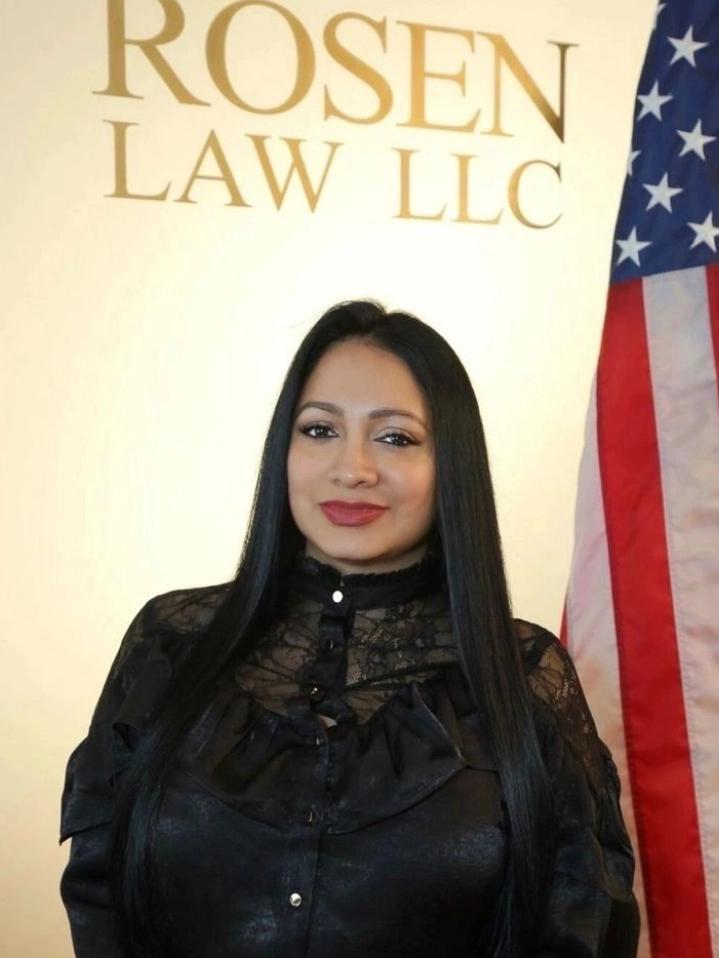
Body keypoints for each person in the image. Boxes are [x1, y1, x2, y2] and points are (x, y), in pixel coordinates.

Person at [59, 299, 640, 958]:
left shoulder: (522, 673)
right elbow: (100, 894)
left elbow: (578, 924)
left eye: (395, 437)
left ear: (450, 463)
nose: (352, 468)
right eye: (318, 430)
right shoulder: (170, 642)